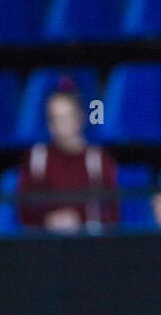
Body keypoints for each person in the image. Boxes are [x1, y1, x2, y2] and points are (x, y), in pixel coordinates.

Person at [18, 85, 118, 231]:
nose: (61, 124)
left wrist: (80, 221)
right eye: (54, 118)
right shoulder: (37, 158)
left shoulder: (98, 159)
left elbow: (111, 211)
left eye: (66, 116)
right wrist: (48, 220)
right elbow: (26, 209)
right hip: (47, 245)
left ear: (80, 117)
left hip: (89, 244)